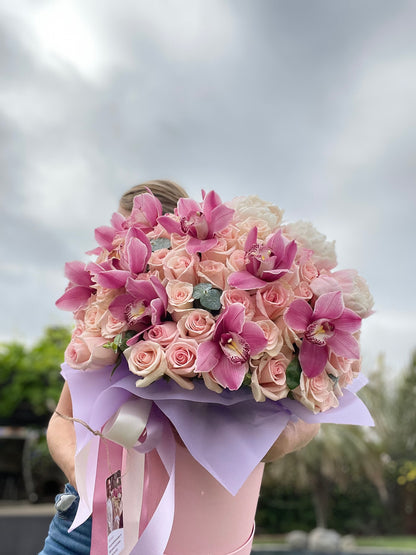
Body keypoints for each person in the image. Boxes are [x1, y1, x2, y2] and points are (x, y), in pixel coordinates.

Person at [39, 179, 319, 555]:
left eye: (141, 235)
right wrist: (88, 480)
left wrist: (259, 441)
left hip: (192, 534)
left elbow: (303, 423)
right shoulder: (100, 328)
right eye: (120, 238)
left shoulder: (225, 316)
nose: (125, 248)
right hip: (84, 527)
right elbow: (62, 418)